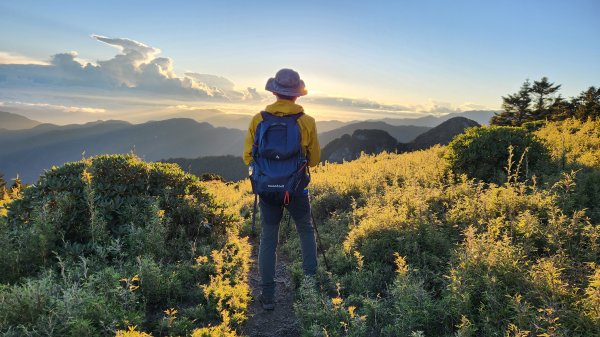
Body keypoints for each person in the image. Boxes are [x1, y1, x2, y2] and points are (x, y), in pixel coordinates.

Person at [243, 68, 321, 310]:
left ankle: (267, 296)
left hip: (267, 189)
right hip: (295, 188)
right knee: (306, 231)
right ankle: (310, 287)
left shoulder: (259, 119)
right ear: (298, 95)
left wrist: (270, 171)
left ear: (275, 92)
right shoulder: (306, 122)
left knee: (268, 237)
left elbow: (248, 156)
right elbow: (315, 159)